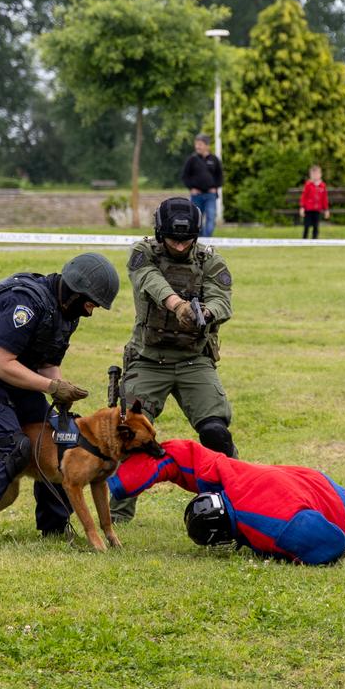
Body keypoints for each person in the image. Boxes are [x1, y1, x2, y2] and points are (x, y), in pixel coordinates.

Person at [0, 253, 120, 552]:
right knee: (12, 446)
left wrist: (60, 391)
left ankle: (54, 526)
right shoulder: (26, 304)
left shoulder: (66, 313)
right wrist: (52, 386)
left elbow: (47, 364)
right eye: (90, 302)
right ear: (74, 292)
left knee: (59, 438)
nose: (91, 311)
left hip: (8, 372)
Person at [109, 438, 345, 564]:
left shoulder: (270, 526)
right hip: (308, 484)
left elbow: (332, 544)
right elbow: (174, 455)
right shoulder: (225, 475)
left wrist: (266, 550)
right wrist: (115, 484)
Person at [109, 196, 235, 524]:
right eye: (173, 239)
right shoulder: (142, 253)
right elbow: (150, 281)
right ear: (159, 233)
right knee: (129, 431)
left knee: (215, 432)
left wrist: (205, 313)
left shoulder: (210, 261)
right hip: (149, 359)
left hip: (194, 360)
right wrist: (178, 305)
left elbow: (223, 301)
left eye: (186, 240)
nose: (179, 247)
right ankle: (118, 513)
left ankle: (237, 492)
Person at [181, 134, 223, 238]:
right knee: (195, 219)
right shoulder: (191, 160)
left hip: (210, 196)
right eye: (196, 144)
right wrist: (191, 188)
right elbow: (185, 176)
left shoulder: (214, 159)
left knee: (211, 217)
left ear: (207, 146)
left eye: (200, 144)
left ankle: (206, 239)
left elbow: (220, 176)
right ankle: (199, 240)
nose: (197, 147)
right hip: (196, 196)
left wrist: (215, 187)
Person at [299, 164, 329, 239]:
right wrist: (302, 207)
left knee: (316, 226)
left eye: (317, 174)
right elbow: (304, 196)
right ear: (310, 175)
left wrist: (326, 209)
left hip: (317, 209)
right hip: (308, 209)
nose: (315, 176)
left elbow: (324, 198)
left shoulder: (322, 185)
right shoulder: (308, 185)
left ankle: (315, 240)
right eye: (313, 174)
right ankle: (304, 240)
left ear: (320, 174)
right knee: (306, 225)